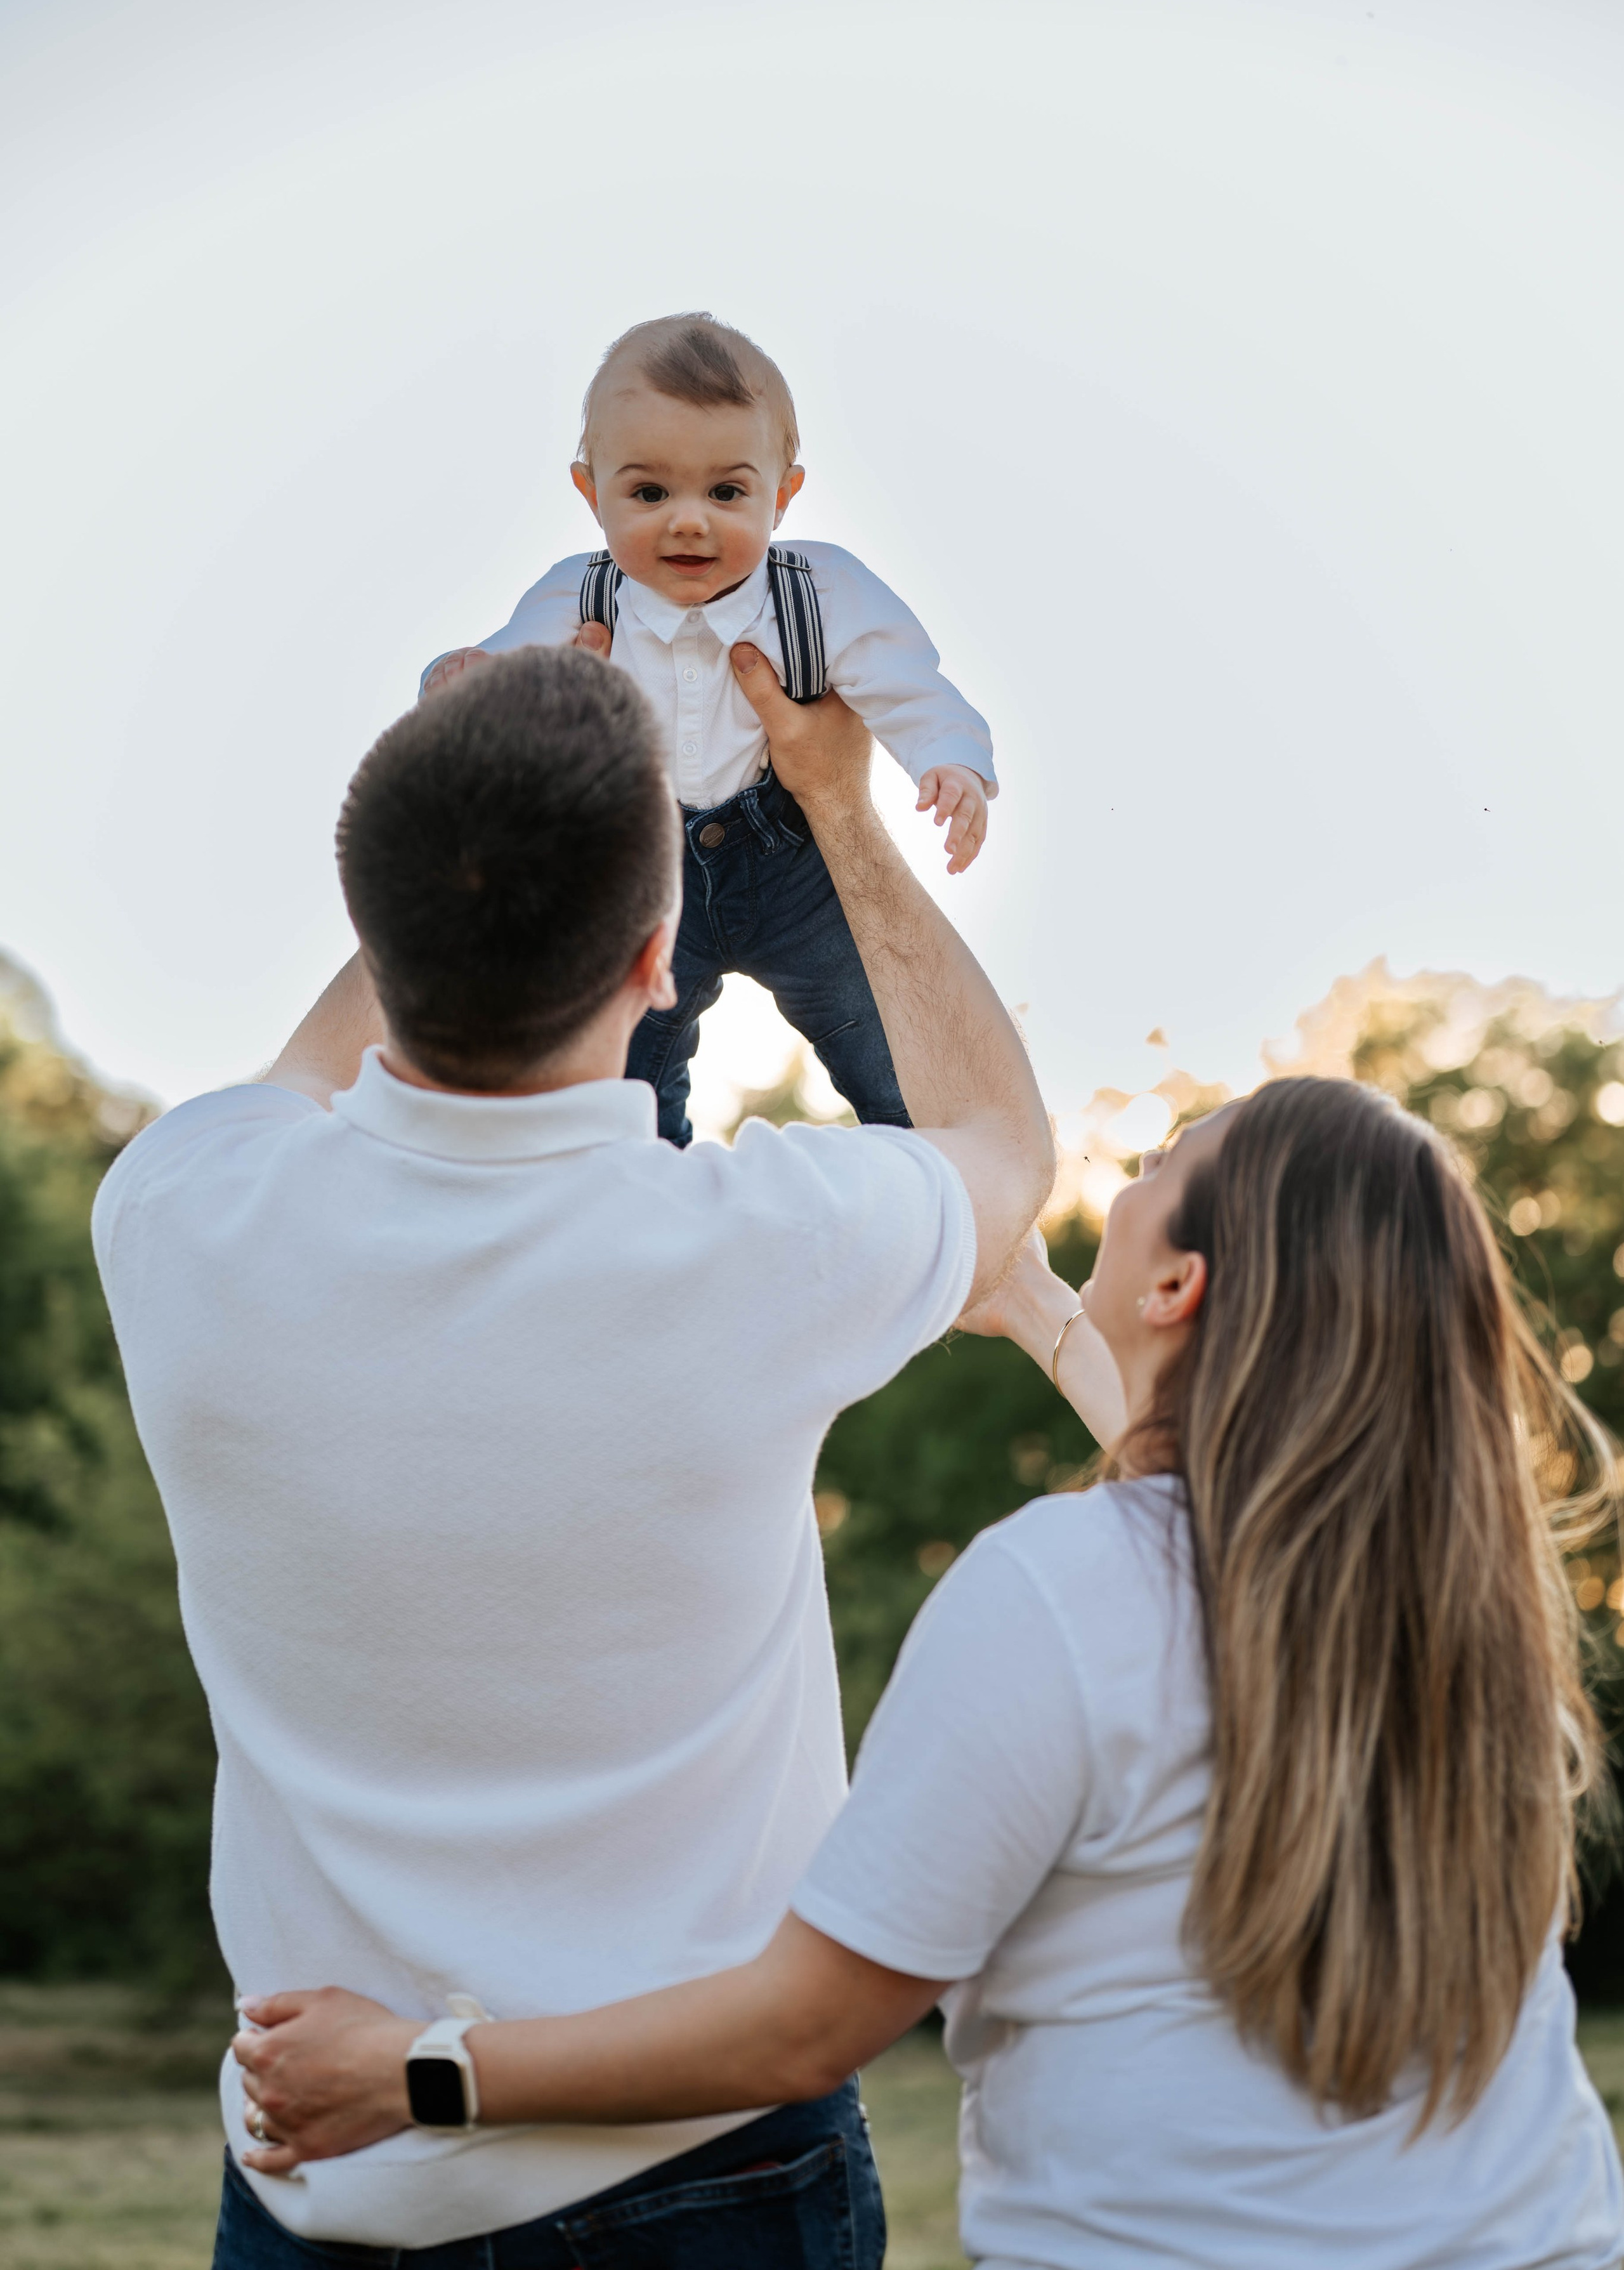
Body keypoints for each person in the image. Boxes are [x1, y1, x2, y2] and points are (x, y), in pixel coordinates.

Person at [236, 1079, 1624, 2270]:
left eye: (1157, 1166)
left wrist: (417, 2071)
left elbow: (803, 2028)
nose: (1121, 1178)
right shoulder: (1465, 1607)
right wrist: (1040, 1316)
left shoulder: (1055, 1588)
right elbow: (1222, 1527)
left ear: (1176, 1282)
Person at [89, 642, 1056, 2267]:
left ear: (378, 922)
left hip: (322, 2182)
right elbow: (1005, 1153)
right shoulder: (766, 1248)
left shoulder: (178, 1213)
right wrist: (838, 809)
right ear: (658, 958)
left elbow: (317, 1068)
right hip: (711, 2173)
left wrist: (466, 787)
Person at [421, 310, 1000, 1145]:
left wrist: (951, 763)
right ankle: (650, 1202)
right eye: (649, 492)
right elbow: (496, 675)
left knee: (886, 1042)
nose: (689, 520)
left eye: (727, 492)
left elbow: (910, 684)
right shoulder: (580, 599)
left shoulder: (820, 593)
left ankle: (942, 1191)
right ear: (591, 492)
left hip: (796, 868)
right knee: (625, 1073)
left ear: (783, 492)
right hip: (647, 875)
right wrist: (456, 685)